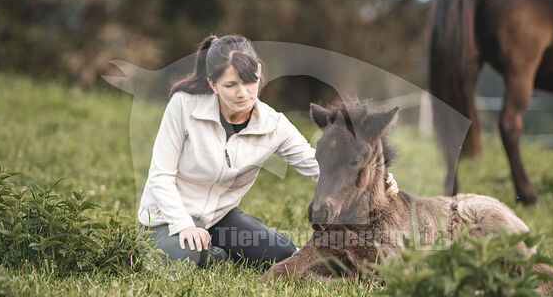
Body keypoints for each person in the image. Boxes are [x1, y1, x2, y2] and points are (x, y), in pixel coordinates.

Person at [138, 34, 399, 266]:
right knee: (184, 255)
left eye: (250, 81)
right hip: (165, 220)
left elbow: (319, 166)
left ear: (260, 71)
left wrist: (375, 177)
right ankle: (217, 255)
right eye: (231, 85)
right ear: (213, 84)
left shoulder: (273, 124)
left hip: (220, 220)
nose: (243, 93)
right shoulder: (183, 107)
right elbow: (160, 176)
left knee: (283, 252)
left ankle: (219, 248)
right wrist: (184, 225)